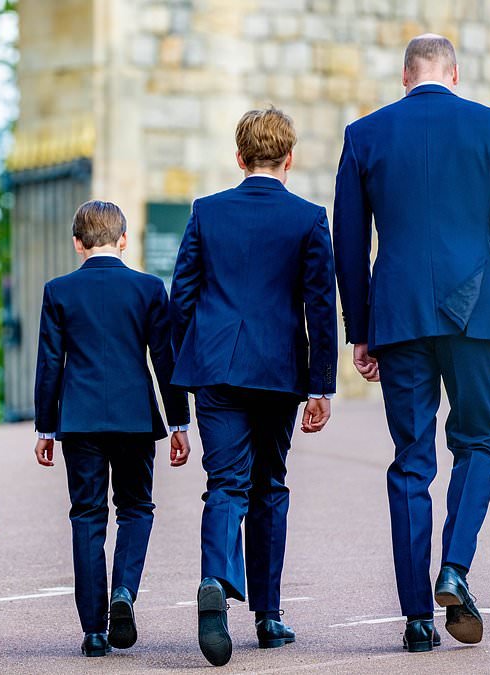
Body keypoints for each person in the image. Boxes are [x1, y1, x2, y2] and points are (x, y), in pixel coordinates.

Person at [332, 34, 490, 653]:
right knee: (477, 443)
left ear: (405, 78)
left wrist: (361, 331)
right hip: (476, 312)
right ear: (454, 74)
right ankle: (454, 568)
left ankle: (416, 619)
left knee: (411, 461)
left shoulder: (364, 135)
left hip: (397, 316)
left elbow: (349, 241)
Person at [170, 107, 338, 667]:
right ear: (290, 159)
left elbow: (182, 299)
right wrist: (322, 386)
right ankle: (268, 616)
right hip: (278, 370)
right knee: (270, 485)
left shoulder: (206, 212)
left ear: (238, 159)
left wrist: (185, 363)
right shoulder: (309, 218)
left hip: (215, 367)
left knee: (225, 484)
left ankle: (216, 576)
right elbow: (320, 306)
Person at [32, 200, 192, 658]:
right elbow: (165, 359)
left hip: (79, 420)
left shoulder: (58, 290)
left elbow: (50, 364)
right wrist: (178, 420)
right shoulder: (147, 288)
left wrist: (46, 428)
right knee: (137, 508)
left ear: (77, 243)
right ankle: (124, 591)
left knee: (86, 516)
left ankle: (93, 630)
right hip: (135, 417)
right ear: (124, 239)